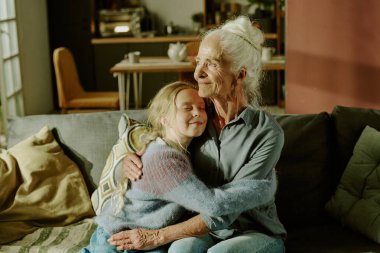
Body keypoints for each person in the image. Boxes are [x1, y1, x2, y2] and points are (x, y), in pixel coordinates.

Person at [112, 15, 287, 253]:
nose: (197, 74)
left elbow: (225, 209)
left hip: (255, 232)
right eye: (198, 62)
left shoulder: (267, 134)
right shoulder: (195, 118)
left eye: (211, 64)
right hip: (205, 231)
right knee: (180, 251)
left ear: (240, 75)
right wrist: (127, 161)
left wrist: (156, 236)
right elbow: (155, 140)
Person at [82, 81, 278, 253]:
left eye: (202, 108)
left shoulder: (185, 148)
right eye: (187, 108)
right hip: (118, 239)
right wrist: (262, 189)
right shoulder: (164, 158)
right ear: (164, 118)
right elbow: (212, 205)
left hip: (143, 238)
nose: (197, 113)